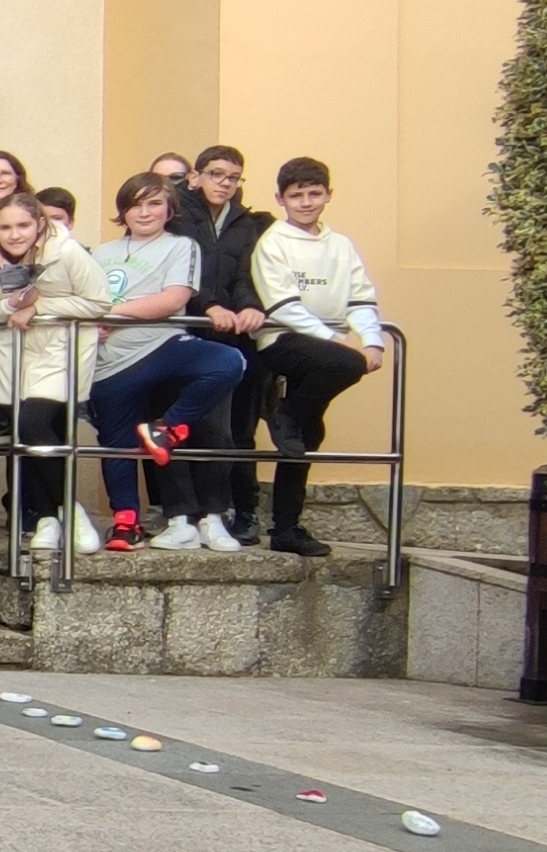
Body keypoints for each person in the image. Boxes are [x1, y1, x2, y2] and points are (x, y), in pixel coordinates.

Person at [89, 172, 249, 552]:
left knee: (228, 362)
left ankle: (169, 428)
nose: (144, 212)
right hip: (107, 362)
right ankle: (126, 522)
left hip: (161, 347)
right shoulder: (100, 253)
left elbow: (172, 299)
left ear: (168, 209)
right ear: (123, 211)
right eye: (135, 204)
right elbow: (83, 303)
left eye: (154, 203)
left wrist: (112, 314)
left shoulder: (180, 246)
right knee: (116, 444)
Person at [249, 156, 387, 559]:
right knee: (345, 365)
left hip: (323, 347)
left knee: (307, 437)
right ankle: (285, 413)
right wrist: (337, 342)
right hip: (283, 340)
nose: (306, 202)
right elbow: (283, 305)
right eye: (296, 196)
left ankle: (286, 528)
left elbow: (360, 296)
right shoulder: (273, 243)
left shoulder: (340, 245)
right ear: (280, 198)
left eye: (314, 194)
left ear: (328, 195)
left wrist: (373, 340)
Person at [0, 193, 110, 558]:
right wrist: (11, 306)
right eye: (5, 227)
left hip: (58, 351)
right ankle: (47, 519)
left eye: (23, 225)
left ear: (39, 223)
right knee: (25, 434)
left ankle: (71, 511)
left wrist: (39, 308)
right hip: (15, 351)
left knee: (36, 422)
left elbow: (99, 302)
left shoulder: (67, 251)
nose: (14, 234)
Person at [175, 143, 279, 541]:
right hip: (191, 333)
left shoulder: (246, 223)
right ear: (195, 177)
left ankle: (244, 512)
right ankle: (191, 515)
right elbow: (182, 271)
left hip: (238, 337)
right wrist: (210, 305)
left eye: (233, 177)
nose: (225, 183)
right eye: (216, 174)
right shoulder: (178, 216)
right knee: (192, 426)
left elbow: (248, 274)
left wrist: (250, 306)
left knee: (240, 429)